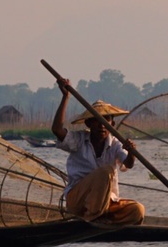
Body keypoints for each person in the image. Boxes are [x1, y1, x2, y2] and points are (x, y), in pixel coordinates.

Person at [49, 91, 146, 226]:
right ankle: (92, 218)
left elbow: (128, 164)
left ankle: (102, 218)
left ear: (112, 124)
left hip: (105, 204)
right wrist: (66, 97)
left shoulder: (115, 144)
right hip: (78, 200)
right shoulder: (79, 140)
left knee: (137, 210)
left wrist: (131, 152)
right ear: (89, 124)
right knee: (105, 172)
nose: (101, 125)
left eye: (106, 120)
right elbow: (57, 130)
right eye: (97, 120)